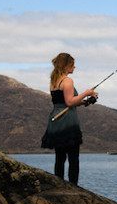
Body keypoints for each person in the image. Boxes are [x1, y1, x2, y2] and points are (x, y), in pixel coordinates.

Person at [41, 53, 98, 185]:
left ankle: (58, 185)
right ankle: (74, 186)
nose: (74, 67)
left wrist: (86, 102)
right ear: (66, 66)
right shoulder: (67, 81)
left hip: (56, 120)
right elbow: (70, 102)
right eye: (72, 64)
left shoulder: (54, 80)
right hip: (68, 122)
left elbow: (65, 102)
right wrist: (87, 93)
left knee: (59, 157)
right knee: (73, 158)